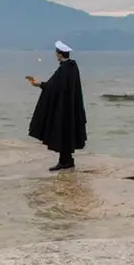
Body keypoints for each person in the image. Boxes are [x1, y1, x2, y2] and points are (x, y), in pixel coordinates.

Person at [26, 40, 88, 171]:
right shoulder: (72, 67)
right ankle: (68, 160)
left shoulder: (64, 69)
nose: (55, 55)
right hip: (69, 107)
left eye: (56, 53)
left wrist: (39, 84)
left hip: (64, 108)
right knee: (67, 133)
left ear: (60, 54)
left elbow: (55, 86)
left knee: (62, 133)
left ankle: (64, 162)